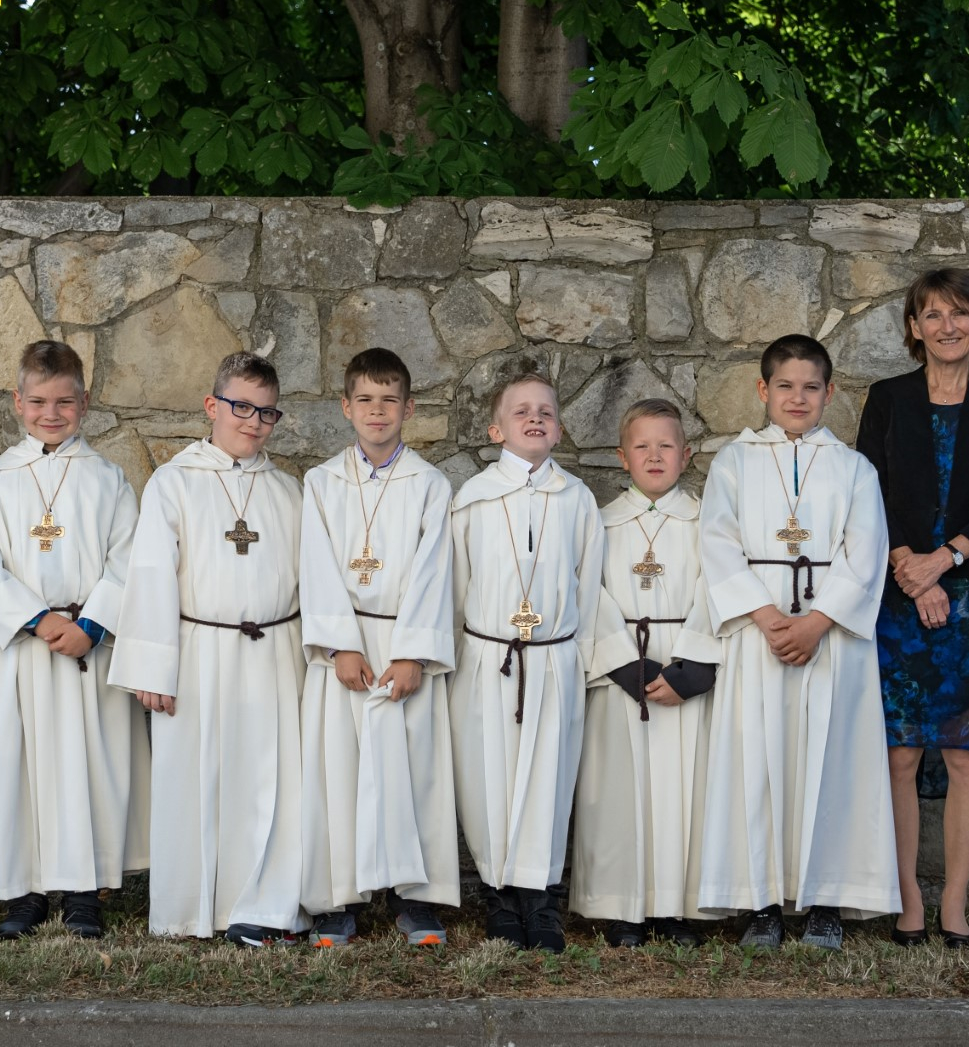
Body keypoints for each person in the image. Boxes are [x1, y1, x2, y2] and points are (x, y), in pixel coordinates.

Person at [697, 334, 897, 951]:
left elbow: (866, 552)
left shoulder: (854, 468)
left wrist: (816, 623)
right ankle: (761, 903)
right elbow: (718, 543)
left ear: (830, 393)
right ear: (763, 390)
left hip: (830, 638)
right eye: (785, 385)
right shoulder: (734, 463)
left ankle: (825, 902)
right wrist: (765, 616)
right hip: (758, 635)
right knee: (755, 763)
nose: (798, 398)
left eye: (811, 387)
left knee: (831, 762)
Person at [856, 269, 969, 948]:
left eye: (960, 313)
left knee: (964, 754)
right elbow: (868, 491)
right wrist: (912, 568)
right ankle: (906, 901)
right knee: (899, 753)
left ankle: (953, 905)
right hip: (898, 596)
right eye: (932, 314)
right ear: (913, 327)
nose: (947, 326)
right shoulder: (887, 399)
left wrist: (943, 561)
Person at [110, 352, 309, 945]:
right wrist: (152, 667)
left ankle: (266, 907)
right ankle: (190, 911)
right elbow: (150, 573)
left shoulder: (289, 491)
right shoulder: (175, 482)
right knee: (195, 780)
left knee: (271, 782)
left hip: (274, 649)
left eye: (266, 412)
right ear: (211, 406)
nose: (253, 421)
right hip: (197, 649)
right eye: (241, 406)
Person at [0, 341, 148, 939]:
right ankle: (26, 892)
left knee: (91, 766)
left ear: (84, 403)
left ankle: (86, 893)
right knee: (22, 767)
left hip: (87, 648)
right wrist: (39, 620)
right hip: (24, 646)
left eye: (64, 402)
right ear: (18, 402)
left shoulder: (109, 479)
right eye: (39, 401)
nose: (51, 413)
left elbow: (128, 559)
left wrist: (90, 625)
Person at [449, 371, 619, 952]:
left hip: (552, 659)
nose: (535, 418)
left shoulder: (576, 499)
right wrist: (461, 659)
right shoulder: (473, 498)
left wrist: (582, 662)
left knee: (550, 775)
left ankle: (541, 898)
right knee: (487, 775)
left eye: (546, 411)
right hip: (489, 657)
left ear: (560, 430)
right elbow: (457, 586)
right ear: (496, 429)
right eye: (521, 411)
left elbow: (589, 586)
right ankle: (499, 895)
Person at [298, 349, 459, 947]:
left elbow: (436, 569)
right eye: (365, 399)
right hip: (345, 648)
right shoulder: (321, 482)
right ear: (346, 407)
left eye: (390, 400)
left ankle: (416, 899)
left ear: (409, 409)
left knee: (413, 772)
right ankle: (336, 901)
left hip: (402, 644)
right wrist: (339, 645)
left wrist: (414, 653)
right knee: (338, 772)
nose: (377, 411)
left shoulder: (430, 484)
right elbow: (314, 564)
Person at [571, 398, 721, 949]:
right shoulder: (599, 522)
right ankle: (622, 908)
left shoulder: (708, 522)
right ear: (622, 456)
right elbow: (586, 594)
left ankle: (677, 909)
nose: (654, 456)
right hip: (623, 677)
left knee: (684, 792)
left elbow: (718, 588)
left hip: (683, 673)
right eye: (642, 446)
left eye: (666, 445)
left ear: (687, 454)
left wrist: (692, 668)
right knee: (619, 792)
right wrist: (627, 665)